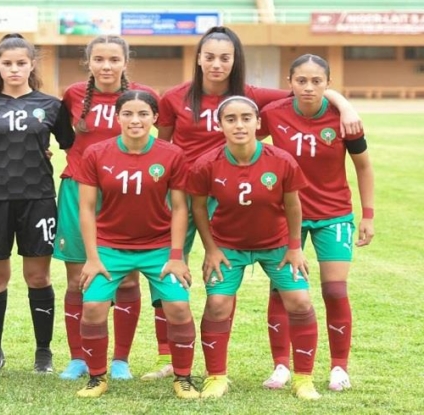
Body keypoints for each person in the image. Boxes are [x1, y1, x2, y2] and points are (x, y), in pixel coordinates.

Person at [146, 25, 362, 381]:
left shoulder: (251, 95)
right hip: (185, 195)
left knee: (222, 278)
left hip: (231, 196)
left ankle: (223, 368)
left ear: (236, 60)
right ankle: (167, 356)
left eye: (225, 57)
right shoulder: (175, 98)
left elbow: (307, 89)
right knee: (168, 270)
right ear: (198, 58)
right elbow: (164, 147)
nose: (217, 64)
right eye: (210, 57)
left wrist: (344, 104)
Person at [188, 96, 321, 400]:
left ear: (258, 123)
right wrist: (211, 249)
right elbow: (198, 208)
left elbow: (293, 205)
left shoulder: (281, 160)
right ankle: (216, 377)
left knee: (300, 302)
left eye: (246, 118)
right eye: (230, 119)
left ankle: (304, 379)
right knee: (217, 304)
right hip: (227, 246)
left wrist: (295, 247)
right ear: (220, 125)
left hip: (277, 244)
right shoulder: (206, 163)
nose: (239, 125)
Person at [258, 54, 375, 392]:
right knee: (282, 290)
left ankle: (339, 367)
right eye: (301, 81)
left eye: (316, 81)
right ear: (290, 83)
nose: (308, 87)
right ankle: (281, 366)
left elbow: (364, 167)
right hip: (286, 216)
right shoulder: (274, 113)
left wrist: (368, 215)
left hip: (333, 214)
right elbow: (243, 136)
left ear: (328, 84)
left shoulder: (345, 120)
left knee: (335, 290)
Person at [73, 90, 198, 399]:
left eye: (143, 113)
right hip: (109, 247)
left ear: (155, 117)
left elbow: (180, 208)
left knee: (179, 307)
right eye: (128, 113)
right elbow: (86, 208)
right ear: (118, 117)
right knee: (92, 308)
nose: (135, 120)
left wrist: (177, 256)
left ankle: (183, 378)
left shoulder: (172, 154)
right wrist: (92, 257)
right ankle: (97, 377)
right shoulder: (97, 153)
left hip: (158, 248)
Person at [0, 33, 75, 375]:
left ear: (31, 65)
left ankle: (43, 353)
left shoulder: (51, 105)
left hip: (37, 198)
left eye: (21, 63)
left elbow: (73, 147)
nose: (14, 69)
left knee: (38, 276)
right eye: (7, 63)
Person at [56, 35, 160, 381]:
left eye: (114, 59)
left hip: (126, 192)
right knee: (78, 278)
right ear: (88, 62)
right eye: (99, 59)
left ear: (125, 62)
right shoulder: (73, 95)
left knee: (127, 278)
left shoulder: (142, 96)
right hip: (78, 189)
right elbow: (62, 137)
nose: (106, 66)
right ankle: (78, 358)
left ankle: (120, 360)